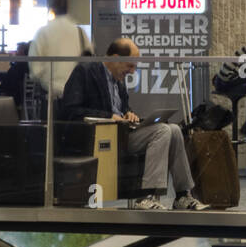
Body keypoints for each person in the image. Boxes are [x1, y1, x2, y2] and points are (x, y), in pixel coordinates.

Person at [60, 37, 207, 211]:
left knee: (174, 129)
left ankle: (183, 195)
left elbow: (121, 108)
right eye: (130, 66)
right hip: (100, 137)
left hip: (122, 134)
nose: (132, 71)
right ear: (115, 58)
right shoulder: (85, 71)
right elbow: (70, 110)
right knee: (162, 131)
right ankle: (146, 196)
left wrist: (128, 113)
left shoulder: (118, 80)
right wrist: (109, 116)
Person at [28, 0, 90, 105]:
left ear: (51, 8)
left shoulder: (43, 32)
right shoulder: (80, 32)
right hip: (78, 97)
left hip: (51, 96)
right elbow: (90, 61)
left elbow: (35, 70)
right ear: (67, 8)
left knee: (51, 122)